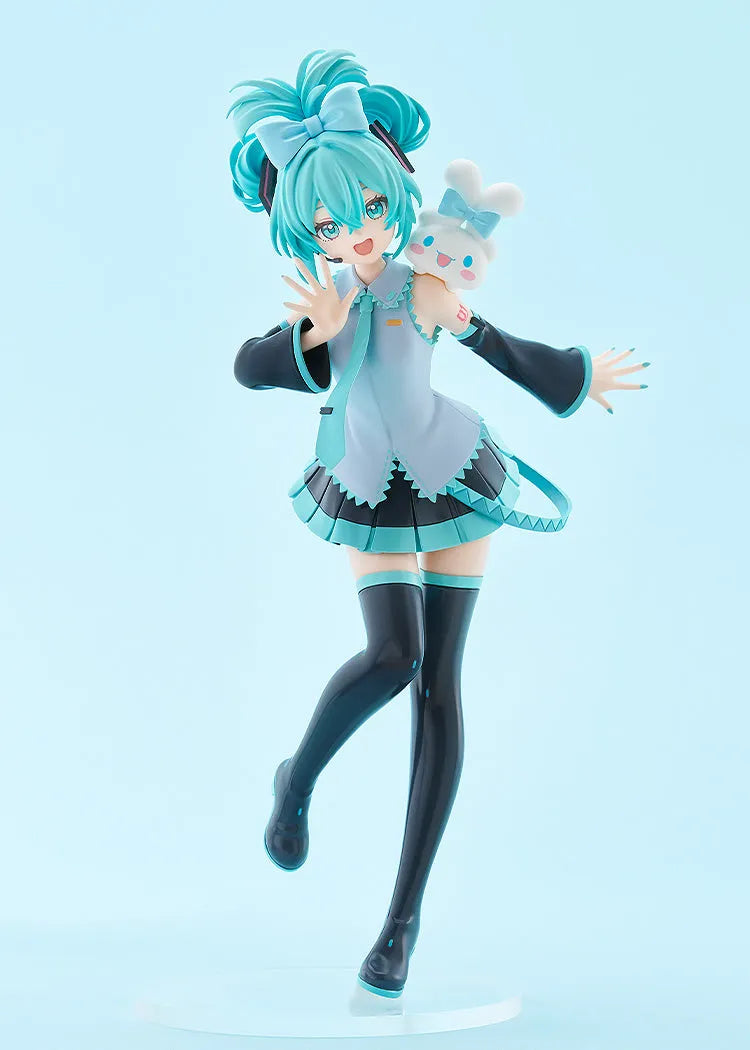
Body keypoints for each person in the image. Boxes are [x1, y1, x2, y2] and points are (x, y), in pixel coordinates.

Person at [228, 48, 648, 998]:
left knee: (439, 686)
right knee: (392, 657)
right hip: (367, 487)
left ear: (396, 189)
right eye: (332, 224)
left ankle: (401, 924)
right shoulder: (327, 300)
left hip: (455, 472)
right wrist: (310, 335)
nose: (359, 232)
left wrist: (576, 375)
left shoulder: (423, 282)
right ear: (304, 229)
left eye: (372, 207)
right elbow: (250, 367)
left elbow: (495, 346)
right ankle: (297, 780)